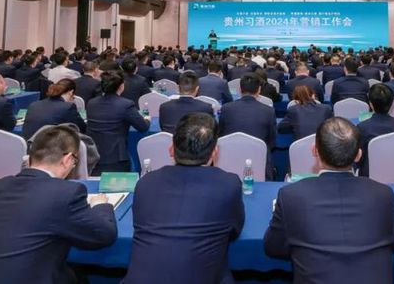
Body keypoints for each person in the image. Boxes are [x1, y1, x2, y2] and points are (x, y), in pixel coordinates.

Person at [0, 125, 117, 284]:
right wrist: (101, 205)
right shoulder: (66, 193)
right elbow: (104, 234)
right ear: (67, 160)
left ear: (30, 157)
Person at [264, 117, 394, 283]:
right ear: (358, 155)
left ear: (314, 150)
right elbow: (392, 242)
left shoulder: (291, 196)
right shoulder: (384, 195)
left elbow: (273, 247)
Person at [125, 113, 244, 283]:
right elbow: (234, 231)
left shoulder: (146, 182)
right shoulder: (229, 184)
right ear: (215, 153)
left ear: (171, 149)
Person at [85, 71, 150, 174]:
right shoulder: (126, 105)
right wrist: (147, 119)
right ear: (121, 86)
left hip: (93, 154)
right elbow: (142, 127)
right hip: (116, 157)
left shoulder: (91, 103)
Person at [219, 73, 277, 179]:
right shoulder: (268, 111)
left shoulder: (226, 108)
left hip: (229, 158)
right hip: (259, 160)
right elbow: (272, 141)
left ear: (240, 89)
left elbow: (221, 135)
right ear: (259, 90)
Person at [357, 84, 394, 177]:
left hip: (370, 177)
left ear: (371, 104)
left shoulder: (362, 127)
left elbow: (359, 159)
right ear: (392, 103)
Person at [22, 79, 87, 139]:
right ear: (71, 92)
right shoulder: (68, 107)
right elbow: (82, 128)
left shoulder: (34, 105)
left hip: (29, 144)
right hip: (49, 145)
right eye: (73, 97)